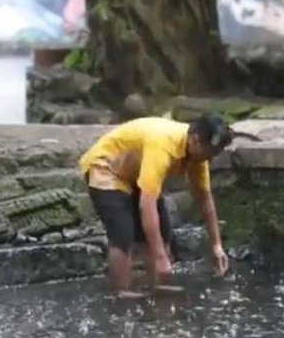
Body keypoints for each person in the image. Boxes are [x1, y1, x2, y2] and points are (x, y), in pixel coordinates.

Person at [79, 115, 232, 296]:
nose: (209, 160)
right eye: (208, 155)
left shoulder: (198, 156)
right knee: (122, 234)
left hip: (138, 175)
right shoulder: (163, 144)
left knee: (164, 233)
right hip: (108, 168)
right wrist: (159, 257)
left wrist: (216, 245)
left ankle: (159, 290)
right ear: (195, 140)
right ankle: (120, 296)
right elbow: (147, 205)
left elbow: (204, 198)